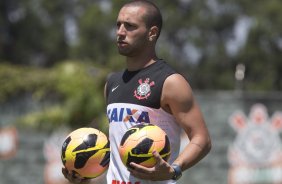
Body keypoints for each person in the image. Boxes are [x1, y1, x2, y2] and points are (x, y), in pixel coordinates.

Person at [63, 0, 211, 183]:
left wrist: (174, 169)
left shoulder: (170, 82)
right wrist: (84, 176)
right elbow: (116, 147)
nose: (120, 32)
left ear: (152, 33)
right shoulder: (112, 83)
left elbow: (202, 139)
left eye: (130, 26)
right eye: (118, 25)